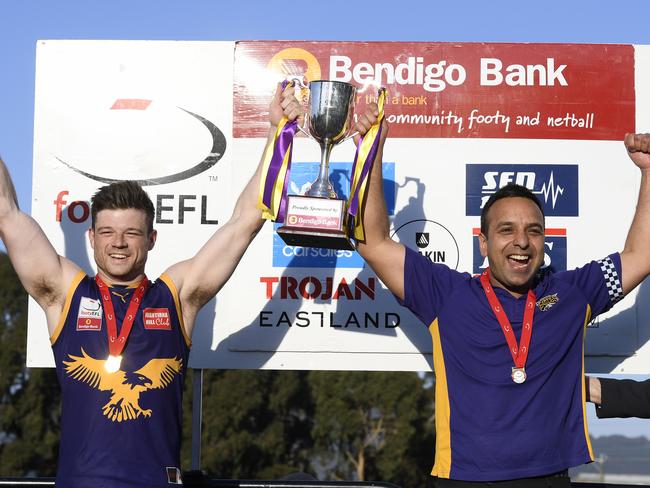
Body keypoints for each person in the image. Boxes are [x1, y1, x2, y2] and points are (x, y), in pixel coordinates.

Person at [0, 84, 304, 487]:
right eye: (106, 232)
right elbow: (7, 213)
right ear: (91, 238)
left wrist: (276, 133)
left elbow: (245, 221)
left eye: (131, 233)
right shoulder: (66, 293)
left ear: (152, 238)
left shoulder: (177, 294)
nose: (118, 243)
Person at [348, 108, 650, 487]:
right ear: (484, 243)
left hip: (549, 477)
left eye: (534, 231)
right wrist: (371, 155)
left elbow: (641, 256)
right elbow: (372, 242)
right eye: (506, 230)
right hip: (463, 479)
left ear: (544, 240)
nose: (521, 241)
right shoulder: (447, 294)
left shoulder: (573, 293)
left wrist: (649, 172)